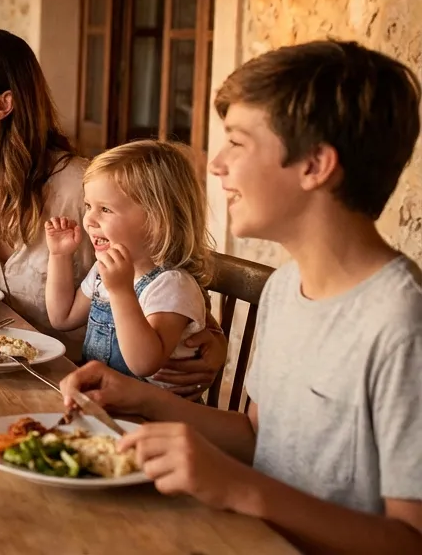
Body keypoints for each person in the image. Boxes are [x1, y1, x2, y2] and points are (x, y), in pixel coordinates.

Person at [62, 41, 422, 553]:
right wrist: (142, 397)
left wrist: (239, 487)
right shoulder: (283, 290)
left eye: (237, 142)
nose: (216, 165)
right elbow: (258, 439)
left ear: (315, 164)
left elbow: (411, 540)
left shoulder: (402, 323)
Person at [0, 29, 225, 394]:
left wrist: (217, 344)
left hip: (80, 384)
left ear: (3, 104)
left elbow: (168, 275)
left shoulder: (81, 186)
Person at [44, 140, 209, 386]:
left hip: (153, 418)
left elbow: (144, 363)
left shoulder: (172, 286)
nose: (89, 219)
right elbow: (62, 318)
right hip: (103, 403)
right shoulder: (105, 270)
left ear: (156, 221)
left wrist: (121, 292)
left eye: (106, 210)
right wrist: (59, 256)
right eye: (89, 206)